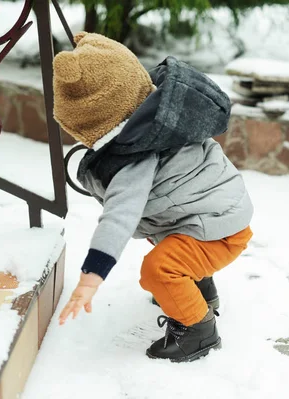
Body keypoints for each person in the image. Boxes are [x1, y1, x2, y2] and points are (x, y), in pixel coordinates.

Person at [53, 32, 253, 363]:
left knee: (158, 270)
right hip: (216, 214)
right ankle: (201, 292)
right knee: (164, 235)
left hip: (218, 229)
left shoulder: (134, 157)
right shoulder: (163, 119)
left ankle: (199, 331)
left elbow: (119, 217)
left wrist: (91, 278)